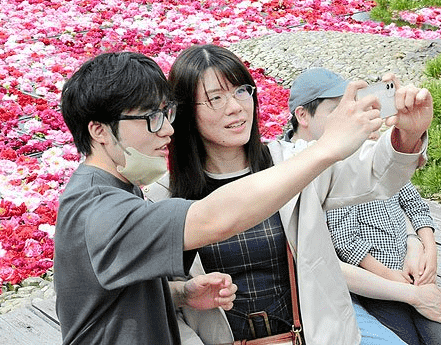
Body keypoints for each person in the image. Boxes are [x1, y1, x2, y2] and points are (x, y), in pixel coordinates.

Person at [54, 50, 399, 345]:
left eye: (167, 114)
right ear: (99, 130)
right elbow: (216, 219)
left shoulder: (119, 191)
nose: (167, 130)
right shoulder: (101, 209)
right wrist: (326, 148)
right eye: (152, 118)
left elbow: (120, 297)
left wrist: (183, 294)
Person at [148, 45, 431, 345]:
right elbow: (162, 302)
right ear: (185, 111)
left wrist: (409, 134)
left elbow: (375, 174)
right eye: (216, 98)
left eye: (242, 90)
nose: (235, 107)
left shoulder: (292, 162)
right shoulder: (164, 197)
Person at [287, 68, 441, 344]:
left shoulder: (349, 148)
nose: (349, 116)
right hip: (366, 290)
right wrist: (405, 286)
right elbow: (342, 245)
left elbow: (401, 191)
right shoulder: (295, 169)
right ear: (302, 115)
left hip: (406, 272)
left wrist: (420, 245)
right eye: (336, 110)